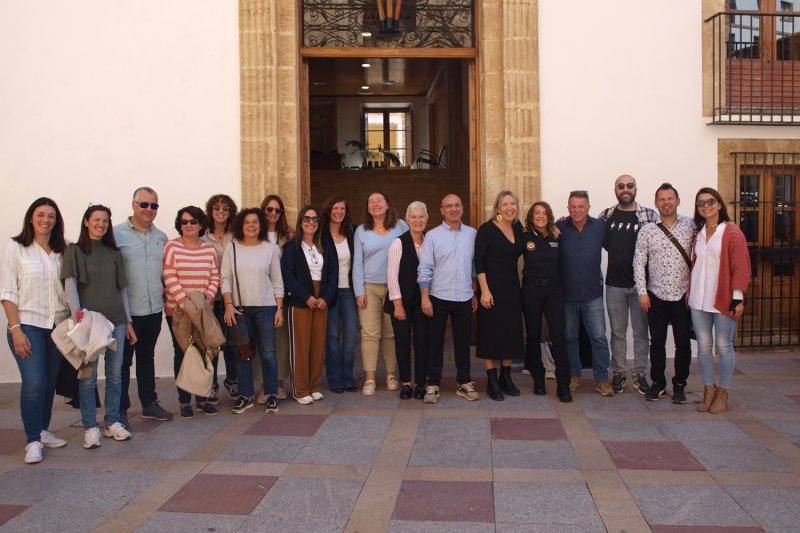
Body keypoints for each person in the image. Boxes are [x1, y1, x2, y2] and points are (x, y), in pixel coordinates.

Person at [1, 198, 70, 464]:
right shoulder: (16, 248)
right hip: (28, 324)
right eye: (41, 215)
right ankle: (32, 440)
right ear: (31, 218)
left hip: (57, 326)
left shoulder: (63, 250)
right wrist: (15, 329)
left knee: (49, 383)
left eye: (51, 215)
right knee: (34, 382)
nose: (46, 220)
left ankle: (42, 430)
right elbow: (7, 291)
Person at [61, 205, 135, 448]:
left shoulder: (114, 252)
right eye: (96, 219)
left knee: (115, 374)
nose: (101, 224)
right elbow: (70, 285)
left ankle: (112, 421)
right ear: (86, 222)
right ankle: (90, 426)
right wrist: (77, 316)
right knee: (88, 376)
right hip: (89, 323)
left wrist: (128, 321)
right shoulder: (75, 251)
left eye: (105, 220)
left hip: (116, 320)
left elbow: (121, 289)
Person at [688, 187, 751, 414]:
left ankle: (723, 391)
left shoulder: (731, 232)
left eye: (710, 201)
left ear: (720, 204)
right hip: (698, 298)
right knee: (704, 347)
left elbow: (741, 266)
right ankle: (708, 389)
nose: (706, 205)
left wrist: (737, 297)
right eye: (701, 203)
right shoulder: (699, 232)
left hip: (723, 298)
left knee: (724, 345)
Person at [114, 186, 173, 425]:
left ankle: (149, 403)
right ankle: (119, 409)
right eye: (144, 204)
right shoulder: (116, 234)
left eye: (154, 205)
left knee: (147, 357)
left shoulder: (161, 238)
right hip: (126, 312)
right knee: (122, 362)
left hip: (153, 309)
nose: (149, 209)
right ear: (133, 205)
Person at [633, 183, 695, 403]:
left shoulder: (691, 225)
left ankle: (679, 384)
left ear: (677, 201)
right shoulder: (648, 230)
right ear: (656, 202)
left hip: (683, 295)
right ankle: (658, 383)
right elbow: (639, 262)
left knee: (683, 343)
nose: (666, 203)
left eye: (670, 198)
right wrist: (642, 292)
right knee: (657, 342)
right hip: (656, 294)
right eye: (662, 199)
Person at [598, 174, 658, 394]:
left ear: (635, 188)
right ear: (615, 189)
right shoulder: (606, 216)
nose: (626, 189)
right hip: (615, 284)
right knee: (617, 332)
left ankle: (640, 373)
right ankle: (619, 372)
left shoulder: (650, 215)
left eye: (630, 186)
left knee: (641, 332)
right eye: (621, 186)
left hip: (642, 287)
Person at [221, 208, 284, 414]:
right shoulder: (232, 248)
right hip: (240, 309)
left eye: (255, 222)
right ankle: (245, 395)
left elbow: (277, 281)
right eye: (247, 221)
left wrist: (279, 308)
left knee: (268, 353)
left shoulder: (270, 249)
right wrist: (228, 305)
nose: (251, 225)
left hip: (266, 307)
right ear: (240, 225)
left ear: (261, 225)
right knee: (242, 354)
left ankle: (271, 394)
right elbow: (225, 279)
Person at [418, 194, 479, 403]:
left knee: (463, 342)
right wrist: (425, 298)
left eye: (457, 205)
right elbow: (425, 268)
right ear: (442, 210)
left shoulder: (472, 234)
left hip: (463, 296)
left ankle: (464, 382)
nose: (453, 209)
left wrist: (474, 291)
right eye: (448, 206)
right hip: (438, 296)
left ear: (462, 208)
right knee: (435, 343)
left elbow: (474, 267)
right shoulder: (433, 236)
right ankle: (433, 383)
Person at [163, 206, 220, 419]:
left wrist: (207, 299)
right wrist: (185, 303)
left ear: (200, 225)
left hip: (204, 311)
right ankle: (184, 400)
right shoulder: (172, 247)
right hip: (179, 311)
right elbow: (169, 276)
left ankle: (202, 399)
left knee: (205, 352)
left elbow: (215, 276)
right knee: (184, 353)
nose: (188, 225)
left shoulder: (208, 249)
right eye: (184, 221)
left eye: (193, 222)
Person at [556, 190, 614, 396]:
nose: (577, 210)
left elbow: (616, 248)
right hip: (567, 293)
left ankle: (602, 378)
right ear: (568, 208)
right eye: (573, 207)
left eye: (581, 206)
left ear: (589, 207)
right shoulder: (559, 227)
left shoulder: (599, 227)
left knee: (598, 337)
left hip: (592, 292)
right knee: (570, 337)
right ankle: (574, 374)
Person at [281, 206, 338, 404]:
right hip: (300, 301)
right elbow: (288, 276)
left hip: (321, 299)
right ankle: (301, 389)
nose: (311, 222)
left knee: (317, 345)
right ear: (300, 222)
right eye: (307, 218)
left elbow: (333, 274)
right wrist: (307, 297)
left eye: (314, 219)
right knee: (301, 346)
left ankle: (314, 386)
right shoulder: (291, 248)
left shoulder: (324, 246)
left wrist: (326, 298)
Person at [353, 191, 408, 395]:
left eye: (379, 201)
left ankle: (391, 374)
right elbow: (357, 264)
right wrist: (359, 291)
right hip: (369, 288)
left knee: (391, 333)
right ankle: (370, 378)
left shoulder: (401, 226)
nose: (376, 204)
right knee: (369, 334)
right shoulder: (361, 231)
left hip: (394, 289)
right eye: (371, 202)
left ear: (387, 205)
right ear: (367, 208)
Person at [521, 201, 572, 402]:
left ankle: (563, 384)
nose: (540, 216)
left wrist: (558, 224)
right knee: (533, 336)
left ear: (549, 216)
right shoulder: (524, 235)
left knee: (558, 337)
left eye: (544, 213)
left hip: (554, 291)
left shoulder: (557, 235)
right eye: (536, 213)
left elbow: (570, 220)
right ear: (531, 216)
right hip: (531, 290)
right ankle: (539, 380)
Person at [475, 190, 523, 401]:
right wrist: (484, 290)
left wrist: (556, 226)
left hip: (512, 289)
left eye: (512, 204)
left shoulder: (518, 227)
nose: (509, 208)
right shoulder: (487, 229)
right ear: (497, 208)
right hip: (490, 290)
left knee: (510, 332)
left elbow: (541, 229)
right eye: (505, 204)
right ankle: (492, 379)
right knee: (490, 333)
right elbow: (479, 262)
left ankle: (506, 377)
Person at [385, 201, 429, 400]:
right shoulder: (398, 243)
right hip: (401, 301)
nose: (418, 220)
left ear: (427, 219)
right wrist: (397, 304)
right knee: (402, 342)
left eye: (421, 216)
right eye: (414, 217)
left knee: (422, 341)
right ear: (407, 219)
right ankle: (405, 383)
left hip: (423, 302)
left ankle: (421, 383)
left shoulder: (431, 241)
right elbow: (392, 276)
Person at [202, 194, 239, 402]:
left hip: (233, 297)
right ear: (211, 211)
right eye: (217, 208)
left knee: (233, 341)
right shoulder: (203, 237)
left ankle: (232, 380)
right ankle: (212, 383)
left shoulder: (236, 235)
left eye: (225, 208)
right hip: (212, 297)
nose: (221, 211)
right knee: (213, 343)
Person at [320, 195, 358, 393]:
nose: (339, 212)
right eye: (335, 208)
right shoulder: (321, 234)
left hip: (349, 291)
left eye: (342, 209)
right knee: (332, 336)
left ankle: (348, 376)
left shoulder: (351, 232)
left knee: (351, 335)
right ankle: (334, 378)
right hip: (330, 292)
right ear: (328, 210)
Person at [261, 194, 293, 401]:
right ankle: (265, 385)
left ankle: (280, 383)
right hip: (260, 294)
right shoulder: (255, 233)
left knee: (281, 341)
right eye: (269, 209)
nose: (273, 213)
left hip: (282, 294)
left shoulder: (287, 236)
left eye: (277, 210)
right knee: (263, 342)